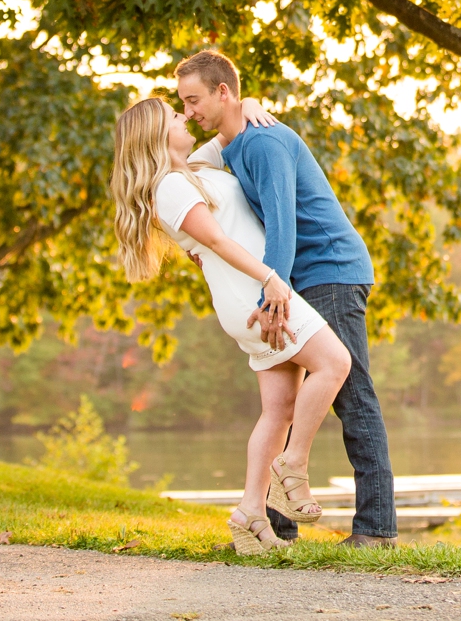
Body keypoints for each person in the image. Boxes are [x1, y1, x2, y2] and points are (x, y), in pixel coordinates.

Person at [109, 95, 353, 554]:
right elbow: (218, 241)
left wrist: (250, 102)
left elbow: (228, 126)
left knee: (278, 409)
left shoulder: (192, 168)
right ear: (157, 135)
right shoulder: (169, 187)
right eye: (175, 116)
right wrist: (271, 281)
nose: (186, 118)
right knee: (334, 363)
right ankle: (293, 465)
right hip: (255, 297)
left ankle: (249, 514)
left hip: (247, 298)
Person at [175, 47, 397, 548]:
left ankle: (377, 530)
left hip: (330, 270)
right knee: (287, 403)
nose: (189, 112)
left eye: (194, 101)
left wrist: (270, 292)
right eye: (183, 104)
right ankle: (277, 527)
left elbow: (283, 224)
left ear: (222, 91)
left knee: (352, 394)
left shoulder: (264, 143)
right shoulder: (231, 144)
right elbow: (175, 164)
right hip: (292, 278)